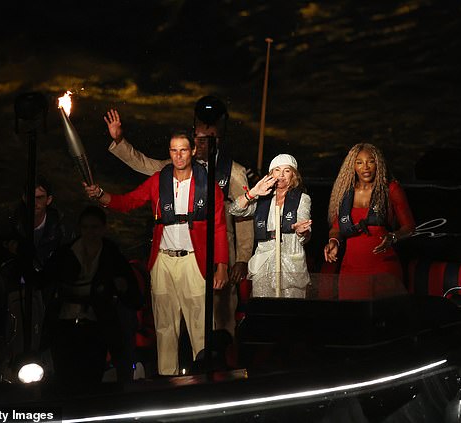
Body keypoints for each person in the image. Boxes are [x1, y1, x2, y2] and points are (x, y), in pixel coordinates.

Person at [103, 96, 253, 338]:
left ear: (220, 134)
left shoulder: (233, 172)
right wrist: (120, 140)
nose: (203, 140)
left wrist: (242, 258)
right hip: (183, 255)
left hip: (219, 254)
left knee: (220, 322)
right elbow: (144, 163)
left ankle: (222, 368)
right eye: (199, 135)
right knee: (181, 324)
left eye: (209, 135)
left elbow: (243, 216)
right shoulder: (175, 167)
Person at [84, 131, 229, 376]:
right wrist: (100, 195)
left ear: (193, 151)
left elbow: (219, 226)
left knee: (200, 326)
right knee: (164, 326)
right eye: (174, 150)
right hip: (163, 259)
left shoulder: (208, 184)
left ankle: (204, 379)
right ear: (169, 152)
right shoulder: (158, 181)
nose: (179, 155)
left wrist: (222, 265)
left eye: (183, 149)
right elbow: (128, 201)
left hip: (193, 260)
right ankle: (166, 380)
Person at [0, 175, 74, 380]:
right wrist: (10, 249)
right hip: (16, 286)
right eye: (31, 198)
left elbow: (65, 256)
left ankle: (44, 366)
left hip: (46, 287)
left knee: (43, 326)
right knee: (15, 322)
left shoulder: (59, 224)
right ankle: (10, 365)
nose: (36, 203)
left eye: (40, 198)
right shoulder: (11, 221)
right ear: (24, 198)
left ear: (49, 200)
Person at [42, 206, 143, 386]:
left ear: (103, 229)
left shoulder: (111, 255)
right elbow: (44, 278)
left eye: (95, 227)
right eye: (86, 228)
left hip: (97, 321)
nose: (90, 232)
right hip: (66, 321)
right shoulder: (66, 253)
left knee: (92, 372)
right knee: (66, 374)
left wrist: (120, 288)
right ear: (80, 229)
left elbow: (132, 294)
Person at [323, 143, 415, 297]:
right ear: (352, 166)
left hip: (383, 267)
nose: (365, 167)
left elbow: (410, 227)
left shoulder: (391, 189)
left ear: (377, 163)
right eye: (359, 162)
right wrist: (334, 241)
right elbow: (336, 228)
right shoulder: (345, 192)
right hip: (351, 269)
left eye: (370, 161)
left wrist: (393, 237)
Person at [230, 154, 312, 298]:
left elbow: (303, 232)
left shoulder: (302, 199)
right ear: (271, 174)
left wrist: (301, 231)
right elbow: (235, 209)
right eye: (277, 170)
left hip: (290, 263)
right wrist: (253, 192)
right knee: (264, 309)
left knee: (290, 312)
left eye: (287, 170)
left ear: (293, 174)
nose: (281, 175)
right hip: (264, 263)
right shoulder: (263, 198)